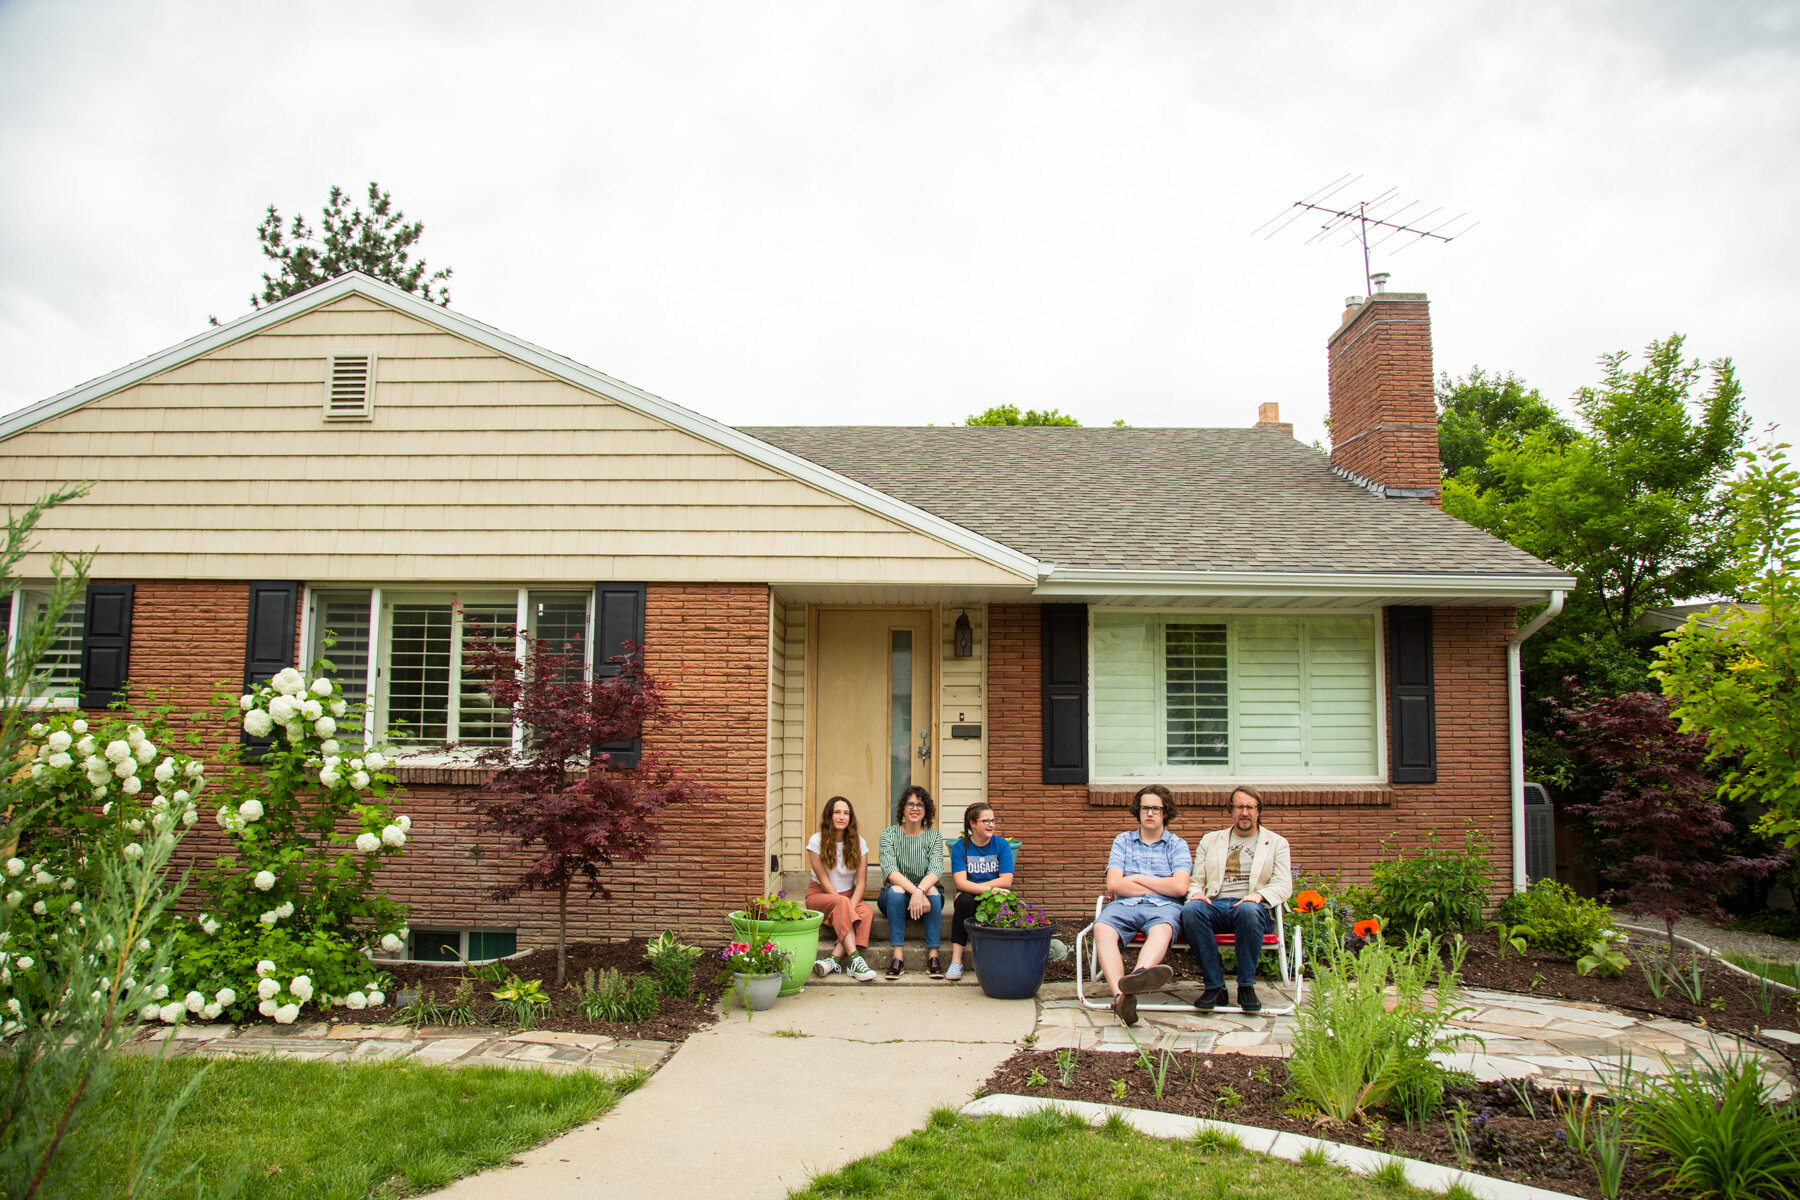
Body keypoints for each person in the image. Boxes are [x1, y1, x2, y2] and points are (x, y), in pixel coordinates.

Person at [1180, 786, 1293, 1013]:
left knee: (1248, 910)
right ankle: (1215, 986)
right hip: (1217, 904)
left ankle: (1246, 987)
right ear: (1230, 810)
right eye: (1239, 807)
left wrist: (1258, 895)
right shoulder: (1211, 840)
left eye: (1250, 807)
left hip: (1254, 908)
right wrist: (1196, 894)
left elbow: (1283, 884)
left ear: (1258, 811)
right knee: (1191, 910)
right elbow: (1196, 879)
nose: (1245, 812)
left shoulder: (1277, 843)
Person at [1094, 783, 1189, 1025]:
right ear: (1138, 811)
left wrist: (1135, 878)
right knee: (1102, 927)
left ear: (1165, 812)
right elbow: (1114, 884)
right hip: (1125, 905)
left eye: (1156, 809)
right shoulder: (1123, 841)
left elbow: (1179, 888)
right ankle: (1121, 998)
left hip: (1164, 908)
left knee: (1163, 929)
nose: (1149, 813)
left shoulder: (1178, 845)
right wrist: (1159, 885)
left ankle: (1136, 977)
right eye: (1145, 808)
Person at [806, 796, 879, 982]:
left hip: (848, 896)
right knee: (843, 904)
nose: (841, 817)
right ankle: (855, 959)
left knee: (867, 913)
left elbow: (861, 883)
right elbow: (822, 879)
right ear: (829, 816)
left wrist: (849, 906)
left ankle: (833, 959)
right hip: (820, 895)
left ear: (851, 818)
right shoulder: (816, 841)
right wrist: (844, 905)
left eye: (846, 813)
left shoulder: (859, 843)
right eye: (837, 812)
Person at [879, 784, 946, 979]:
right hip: (894, 899)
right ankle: (897, 957)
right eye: (910, 804)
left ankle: (933, 956)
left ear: (927, 811)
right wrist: (916, 892)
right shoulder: (889, 835)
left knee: (933, 889)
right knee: (897, 890)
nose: (915, 808)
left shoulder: (933, 836)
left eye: (920, 805)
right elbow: (891, 871)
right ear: (902, 808)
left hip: (927, 900)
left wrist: (921, 891)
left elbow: (936, 869)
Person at [946, 803, 1014, 982]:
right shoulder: (962, 847)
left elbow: (1006, 881)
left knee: (1001, 904)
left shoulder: (1001, 845)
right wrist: (991, 889)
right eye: (986, 821)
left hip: (988, 896)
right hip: (972, 898)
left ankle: (998, 961)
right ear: (972, 824)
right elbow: (960, 882)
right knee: (964, 902)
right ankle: (956, 962)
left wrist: (975, 888)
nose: (991, 824)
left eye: (993, 820)